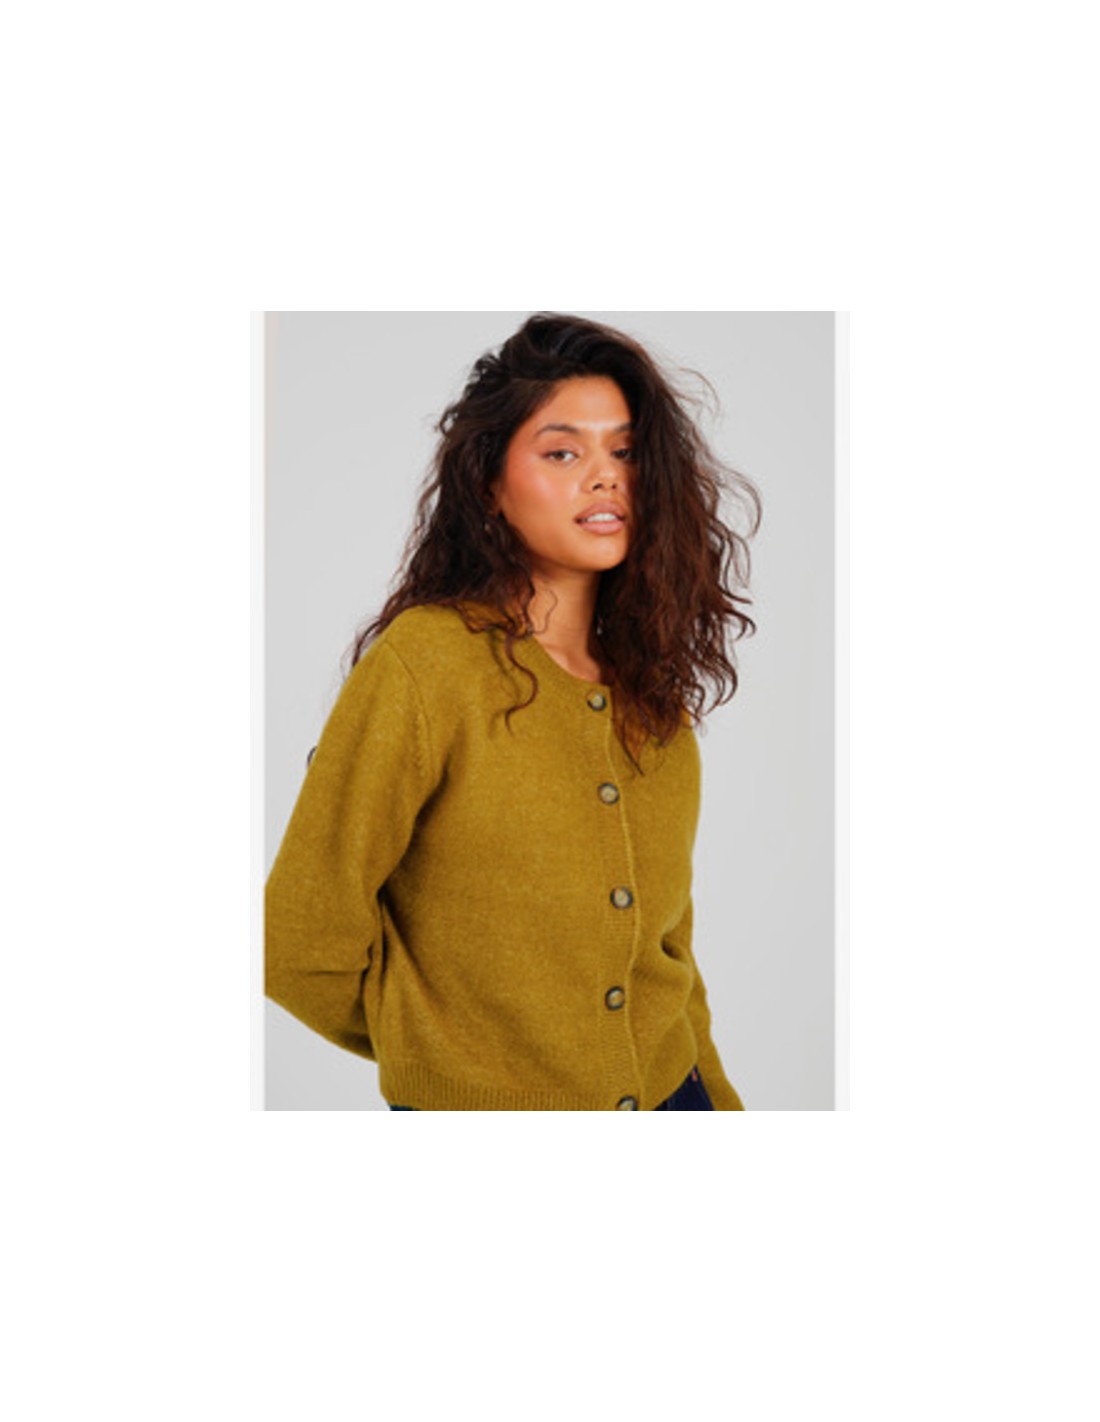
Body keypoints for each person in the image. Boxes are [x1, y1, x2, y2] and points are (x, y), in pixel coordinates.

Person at [265, 312, 761, 1110]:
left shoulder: (654, 700)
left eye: (626, 452)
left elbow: (670, 960)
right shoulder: (426, 666)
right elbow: (297, 942)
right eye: (563, 452)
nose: (605, 477)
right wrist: (449, 1054)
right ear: (490, 485)